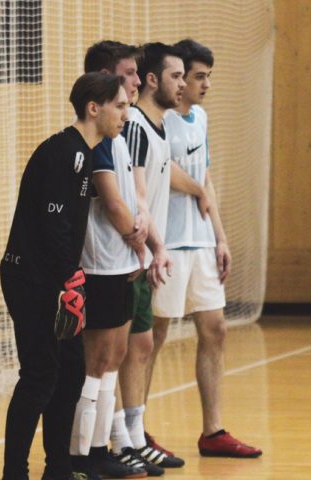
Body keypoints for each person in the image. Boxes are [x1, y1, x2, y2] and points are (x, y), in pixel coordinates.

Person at [0, 72, 122, 480]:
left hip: (57, 280)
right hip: (31, 279)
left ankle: (59, 469)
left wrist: (71, 281)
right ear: (94, 108)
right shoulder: (64, 153)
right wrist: (70, 281)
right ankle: (14, 472)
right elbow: (55, 227)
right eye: (119, 106)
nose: (125, 114)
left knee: (70, 374)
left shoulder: (85, 155)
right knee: (39, 375)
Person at [146, 38, 262, 458]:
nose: (204, 84)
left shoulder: (202, 118)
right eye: (198, 76)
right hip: (168, 242)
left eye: (207, 77)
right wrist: (196, 189)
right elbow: (166, 172)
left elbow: (204, 178)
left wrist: (220, 236)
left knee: (216, 329)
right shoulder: (158, 120)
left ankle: (213, 431)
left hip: (201, 241)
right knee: (153, 336)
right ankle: (134, 429)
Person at [73, 40, 179, 479]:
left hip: (122, 263)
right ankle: (82, 454)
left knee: (114, 357)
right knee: (96, 362)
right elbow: (117, 205)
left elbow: (136, 200)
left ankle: (106, 447)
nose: (137, 81)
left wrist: (151, 244)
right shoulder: (94, 140)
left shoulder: (119, 135)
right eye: (129, 74)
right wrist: (139, 243)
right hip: (100, 264)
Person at [113, 42, 187, 474]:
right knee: (122, 348)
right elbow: (135, 198)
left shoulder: (157, 128)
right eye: (176, 76)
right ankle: (119, 439)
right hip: (127, 256)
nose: (183, 84)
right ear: (153, 79)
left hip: (144, 254)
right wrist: (154, 247)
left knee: (142, 344)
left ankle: (135, 435)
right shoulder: (136, 127)